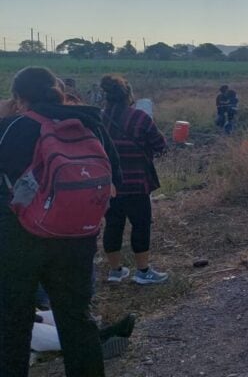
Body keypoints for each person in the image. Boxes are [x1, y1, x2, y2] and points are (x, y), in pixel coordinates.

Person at [0, 67, 123, 377]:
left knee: (13, 323)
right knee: (77, 318)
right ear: (57, 89)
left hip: (18, 240)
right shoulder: (89, 123)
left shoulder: (13, 127)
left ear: (18, 98)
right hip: (76, 237)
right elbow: (114, 184)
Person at [100, 75, 170, 286]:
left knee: (112, 225)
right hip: (137, 184)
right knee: (141, 226)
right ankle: (143, 272)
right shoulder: (140, 118)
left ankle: (115, 271)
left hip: (109, 185)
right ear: (128, 96)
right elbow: (160, 146)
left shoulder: (98, 120)